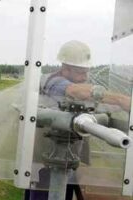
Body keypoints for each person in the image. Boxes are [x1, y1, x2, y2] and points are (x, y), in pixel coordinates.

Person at [25, 40, 130, 200]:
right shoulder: (50, 81)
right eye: (80, 72)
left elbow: (94, 102)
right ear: (65, 68)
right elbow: (75, 91)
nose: (85, 77)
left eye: (86, 72)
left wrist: (115, 107)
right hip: (46, 163)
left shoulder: (77, 82)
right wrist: (121, 100)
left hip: (67, 159)